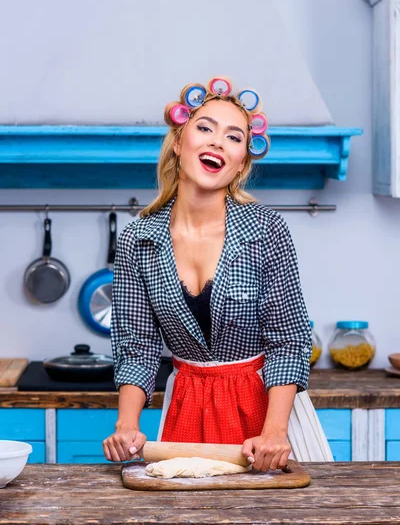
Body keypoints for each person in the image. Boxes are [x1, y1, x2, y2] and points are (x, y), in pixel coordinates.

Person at [103, 77, 333, 471]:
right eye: (205, 128)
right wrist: (127, 426)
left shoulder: (266, 230)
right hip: (187, 410)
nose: (217, 142)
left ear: (242, 160)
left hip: (266, 417)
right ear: (178, 142)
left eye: (233, 137)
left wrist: (275, 431)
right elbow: (137, 346)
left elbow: (288, 341)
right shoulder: (137, 240)